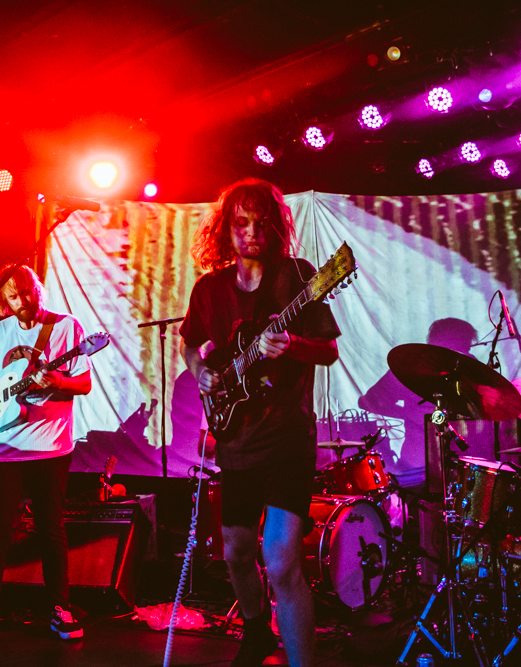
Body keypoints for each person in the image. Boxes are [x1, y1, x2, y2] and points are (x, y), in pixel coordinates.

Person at [180, 179, 340, 667]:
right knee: (234, 553)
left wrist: (292, 346)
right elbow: (190, 343)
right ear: (227, 230)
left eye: (260, 222)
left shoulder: (300, 277)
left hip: (288, 439)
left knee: (282, 562)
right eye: (241, 223)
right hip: (235, 440)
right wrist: (200, 370)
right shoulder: (209, 289)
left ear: (274, 226)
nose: (251, 232)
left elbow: (329, 351)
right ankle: (256, 631)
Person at [0, 264, 92, 651]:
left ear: (37, 290)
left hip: (50, 445)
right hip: (2, 446)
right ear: (2, 300)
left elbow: (85, 382)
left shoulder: (66, 328)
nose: (22, 301)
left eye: (26, 292)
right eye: (12, 295)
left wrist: (58, 381)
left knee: (51, 529)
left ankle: (61, 608)